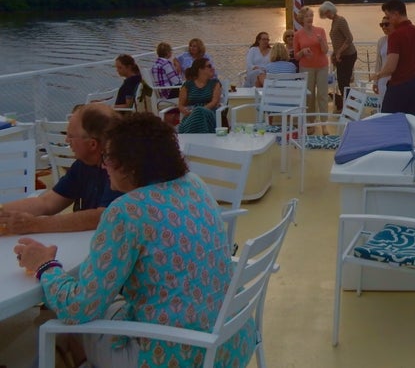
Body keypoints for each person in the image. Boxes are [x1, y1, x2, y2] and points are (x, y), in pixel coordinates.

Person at [14, 112, 254, 368]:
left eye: (108, 158)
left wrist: (45, 266)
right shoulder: (194, 184)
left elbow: (78, 308)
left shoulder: (127, 211)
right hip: (230, 340)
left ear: (130, 166)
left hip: (177, 356)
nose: (103, 166)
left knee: (55, 326)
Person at [0, 103, 122, 234]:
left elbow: (102, 216)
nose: (66, 140)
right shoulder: (83, 165)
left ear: (92, 144)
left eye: (70, 136)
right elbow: (47, 202)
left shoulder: (121, 169)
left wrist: (35, 224)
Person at [371, 0, 415, 119]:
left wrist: (378, 75)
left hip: (399, 88)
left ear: (396, 14)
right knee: (413, 123)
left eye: (388, 16)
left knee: (388, 122)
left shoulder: (395, 36)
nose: (389, 20)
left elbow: (390, 67)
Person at [293, 6, 330, 132]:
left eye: (311, 16)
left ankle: (324, 124)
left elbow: (326, 51)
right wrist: (303, 51)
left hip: (322, 67)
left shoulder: (320, 31)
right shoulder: (297, 35)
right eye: (307, 16)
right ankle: (311, 122)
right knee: (309, 96)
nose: (310, 18)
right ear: (302, 19)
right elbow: (296, 56)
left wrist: (321, 42)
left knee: (322, 94)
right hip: (306, 67)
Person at [318, 1, 357, 112]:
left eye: (326, 13)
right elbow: (337, 40)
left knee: (344, 82)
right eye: (325, 14)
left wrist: (339, 52)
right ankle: (348, 105)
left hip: (348, 55)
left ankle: (350, 106)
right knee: (342, 81)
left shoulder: (341, 20)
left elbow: (349, 38)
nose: (326, 16)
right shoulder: (334, 21)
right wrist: (335, 54)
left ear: (330, 10)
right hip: (341, 56)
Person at [177, 57, 222, 133]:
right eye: (209, 66)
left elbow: (214, 102)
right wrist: (185, 111)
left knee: (199, 111)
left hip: (209, 113)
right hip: (191, 115)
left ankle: (186, 135)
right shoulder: (188, 85)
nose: (213, 68)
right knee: (198, 113)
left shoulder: (215, 83)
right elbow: (180, 105)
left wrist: (198, 110)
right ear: (200, 69)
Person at [372, 15, 394, 107]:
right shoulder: (381, 41)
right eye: (382, 25)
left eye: (386, 24)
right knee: (383, 107)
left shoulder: (399, 40)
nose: (384, 27)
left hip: (394, 81)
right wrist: (375, 82)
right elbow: (378, 63)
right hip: (382, 80)